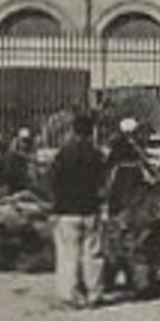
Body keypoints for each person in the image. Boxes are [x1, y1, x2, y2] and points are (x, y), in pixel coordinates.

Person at [49, 114, 105, 309]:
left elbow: (53, 182)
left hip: (66, 211)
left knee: (68, 255)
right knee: (93, 254)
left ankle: (70, 295)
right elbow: (103, 182)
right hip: (90, 209)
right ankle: (94, 294)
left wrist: (54, 207)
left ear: (73, 131)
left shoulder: (63, 154)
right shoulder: (96, 154)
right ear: (91, 132)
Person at [102, 117, 157, 295]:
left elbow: (107, 171)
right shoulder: (133, 150)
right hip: (130, 197)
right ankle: (137, 281)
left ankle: (112, 279)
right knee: (131, 239)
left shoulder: (117, 152)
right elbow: (147, 167)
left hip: (119, 197)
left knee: (117, 238)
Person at [0, 128, 36, 194]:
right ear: (17, 140)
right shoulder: (10, 155)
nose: (25, 144)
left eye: (27, 141)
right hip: (11, 184)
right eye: (23, 140)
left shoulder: (29, 155)